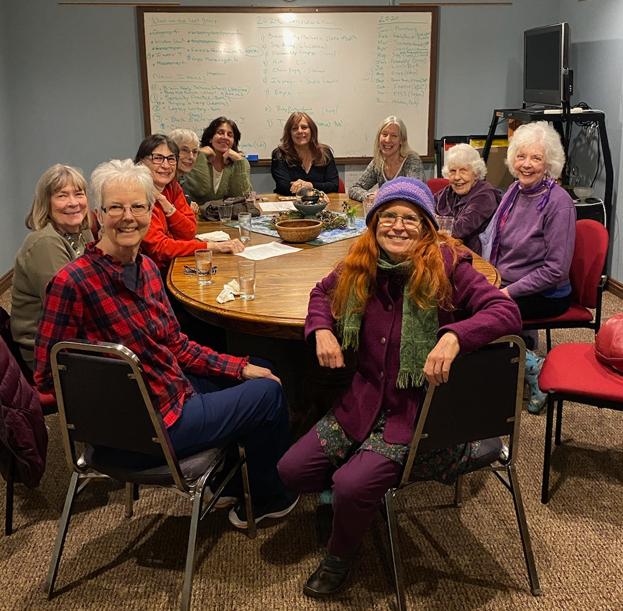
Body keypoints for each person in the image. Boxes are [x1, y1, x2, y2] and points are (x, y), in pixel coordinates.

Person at [277, 177, 522, 597]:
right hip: (363, 400)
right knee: (291, 469)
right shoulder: (360, 262)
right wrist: (320, 330)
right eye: (387, 216)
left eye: (410, 218)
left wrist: (457, 334)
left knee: (352, 486)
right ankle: (349, 501)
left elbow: (506, 309)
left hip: (420, 413)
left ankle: (341, 552)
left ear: (427, 226)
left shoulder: (450, 265)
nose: (397, 226)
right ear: (373, 225)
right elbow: (321, 294)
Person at [33, 159, 299, 528]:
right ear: (99, 215)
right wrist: (120, 390)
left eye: (138, 207)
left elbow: (175, 346)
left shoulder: (145, 269)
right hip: (143, 430)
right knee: (267, 394)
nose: (128, 217)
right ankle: (270, 496)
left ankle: (231, 485)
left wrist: (239, 367)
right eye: (116, 208)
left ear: (150, 211)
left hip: (170, 391)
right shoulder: (72, 283)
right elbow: (48, 377)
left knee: (261, 368)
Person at [480, 121, 576, 413]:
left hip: (547, 294)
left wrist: (507, 293)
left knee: (480, 315)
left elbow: (555, 271)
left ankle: (533, 366)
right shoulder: (514, 191)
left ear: (550, 163)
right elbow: (493, 239)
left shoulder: (559, 204)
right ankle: (506, 357)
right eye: (521, 156)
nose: (527, 164)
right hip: (506, 281)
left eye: (536, 158)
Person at [11, 165, 94, 369]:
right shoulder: (45, 242)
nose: (73, 203)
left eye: (78, 194)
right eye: (61, 196)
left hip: (76, 335)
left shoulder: (82, 232)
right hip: (48, 350)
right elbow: (67, 307)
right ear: (46, 203)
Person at [135, 133, 244, 273]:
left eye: (171, 159)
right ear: (141, 163)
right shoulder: (137, 196)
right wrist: (214, 246)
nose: (166, 165)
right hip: (151, 274)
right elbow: (160, 249)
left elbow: (188, 232)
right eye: (158, 158)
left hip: (173, 265)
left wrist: (166, 205)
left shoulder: (172, 187)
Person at [434, 143, 501, 254]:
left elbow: (459, 230)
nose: (457, 177)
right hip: (447, 250)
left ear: (476, 174)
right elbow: (424, 209)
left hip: (473, 257)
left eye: (463, 170)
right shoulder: (448, 191)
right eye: (452, 171)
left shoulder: (485, 196)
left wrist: (435, 221)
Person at [348, 116, 425, 202]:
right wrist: (369, 196)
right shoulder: (378, 162)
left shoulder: (412, 162)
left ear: (402, 140)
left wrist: (382, 195)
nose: (387, 140)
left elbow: (415, 194)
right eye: (384, 134)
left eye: (394, 136)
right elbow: (354, 188)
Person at [183, 117, 253, 205]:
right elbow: (199, 190)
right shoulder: (196, 158)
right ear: (210, 138)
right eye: (220, 133)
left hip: (226, 217)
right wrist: (201, 155)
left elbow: (241, 196)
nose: (225, 137)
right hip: (198, 216)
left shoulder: (240, 163)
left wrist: (239, 161)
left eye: (230, 135)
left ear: (233, 141)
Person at [271, 112, 339, 195]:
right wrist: (314, 189)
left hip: (321, 205)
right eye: (295, 128)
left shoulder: (325, 153)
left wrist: (310, 185)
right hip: (288, 204)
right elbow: (284, 187)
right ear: (289, 133)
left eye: (304, 127)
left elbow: (334, 185)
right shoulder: (280, 154)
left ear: (312, 130)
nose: (299, 131)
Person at [168, 128, 201, 214]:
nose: (191, 157)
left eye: (194, 152)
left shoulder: (181, 180)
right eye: (184, 150)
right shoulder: (162, 182)